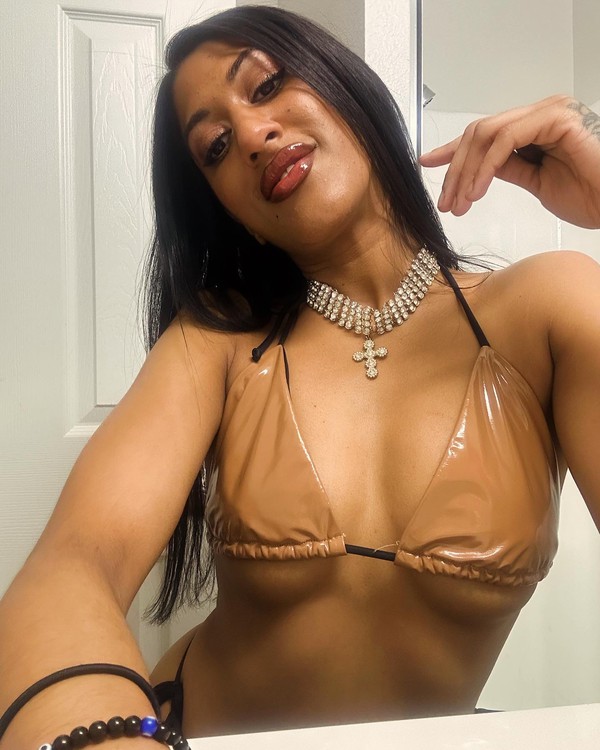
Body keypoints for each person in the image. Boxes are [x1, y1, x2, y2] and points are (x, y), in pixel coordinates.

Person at [1, 5, 599, 748]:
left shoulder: (548, 310)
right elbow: (72, 566)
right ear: (233, 214)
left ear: (345, 87)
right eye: (216, 146)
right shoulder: (217, 341)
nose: (253, 135)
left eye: (267, 85)